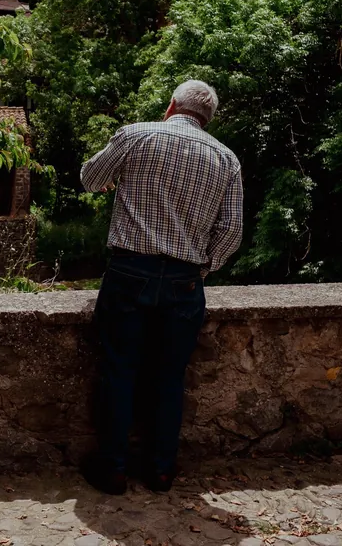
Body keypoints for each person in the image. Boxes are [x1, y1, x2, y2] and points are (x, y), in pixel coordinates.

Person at [79, 80, 243, 495]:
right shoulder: (226, 159)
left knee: (120, 369)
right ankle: (161, 470)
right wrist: (201, 268)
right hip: (185, 281)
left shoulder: (137, 134)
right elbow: (231, 230)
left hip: (130, 271)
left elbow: (89, 178)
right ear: (208, 118)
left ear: (171, 105)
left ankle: (114, 469)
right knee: (170, 377)